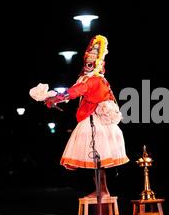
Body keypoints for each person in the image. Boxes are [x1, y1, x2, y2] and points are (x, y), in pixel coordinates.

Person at [44, 35, 129, 198]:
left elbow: (77, 90)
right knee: (95, 160)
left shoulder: (95, 80)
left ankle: (102, 190)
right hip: (91, 119)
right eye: (86, 64)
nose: (87, 67)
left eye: (91, 64)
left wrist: (57, 98)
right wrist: (55, 98)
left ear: (99, 65)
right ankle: (101, 190)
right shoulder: (90, 79)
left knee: (97, 157)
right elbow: (74, 91)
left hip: (96, 122)